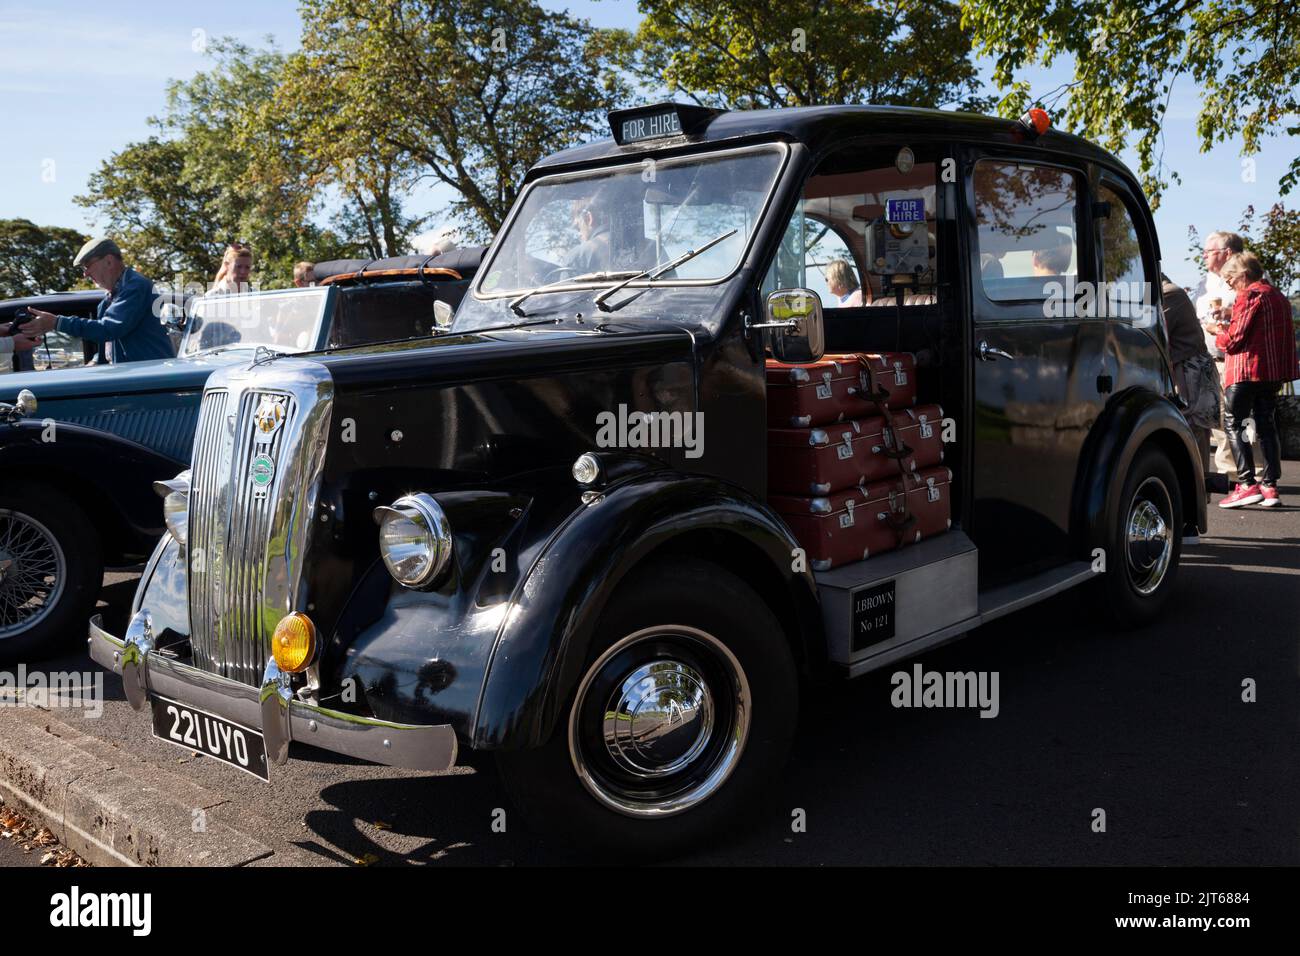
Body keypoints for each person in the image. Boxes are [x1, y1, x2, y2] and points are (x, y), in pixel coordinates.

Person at [1214, 252, 1299, 508]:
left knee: (1233, 424)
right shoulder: (1279, 297)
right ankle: (1270, 487)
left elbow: (1234, 340)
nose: (1228, 283)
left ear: (1243, 274)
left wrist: (1217, 331)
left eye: (1229, 278)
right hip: (1271, 373)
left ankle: (1246, 484)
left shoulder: (1249, 295)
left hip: (1245, 372)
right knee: (1266, 426)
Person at [21, 238, 174, 363]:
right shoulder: (110, 298)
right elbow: (109, 343)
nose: (85, 274)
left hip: (149, 379)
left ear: (108, 261)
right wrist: (96, 362)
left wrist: (56, 322)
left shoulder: (135, 286)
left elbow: (109, 329)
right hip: (138, 378)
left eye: (87, 266)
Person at [1195, 230, 1248, 476]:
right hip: (1211, 358)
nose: (1204, 256)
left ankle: (1250, 471)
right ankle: (1228, 471)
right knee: (1216, 416)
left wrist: (1226, 315)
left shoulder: (1245, 276)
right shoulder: (1206, 281)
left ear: (1226, 253)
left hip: (1237, 360)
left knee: (1242, 416)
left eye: (1208, 252)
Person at [1161, 275, 1221, 489]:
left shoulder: (1169, 294)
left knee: (1193, 431)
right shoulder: (1169, 292)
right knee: (1192, 431)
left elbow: (1155, 331)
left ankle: (1196, 494)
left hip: (1189, 372)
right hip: (1185, 370)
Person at [567, 196, 611, 274]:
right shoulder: (634, 244)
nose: (579, 234)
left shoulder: (577, 256)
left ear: (588, 218)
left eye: (578, 227)